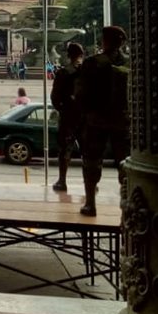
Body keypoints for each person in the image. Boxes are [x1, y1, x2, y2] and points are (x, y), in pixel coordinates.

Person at [75, 26, 130, 216]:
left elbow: (80, 92)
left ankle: (90, 203)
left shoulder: (92, 63)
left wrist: (85, 114)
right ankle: (127, 205)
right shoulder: (130, 63)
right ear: (121, 42)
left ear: (104, 41)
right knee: (124, 164)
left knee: (91, 163)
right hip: (122, 120)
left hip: (96, 120)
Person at [50, 43, 85, 192]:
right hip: (85, 116)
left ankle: (62, 180)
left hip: (68, 116)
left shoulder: (63, 73)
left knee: (64, 150)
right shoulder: (87, 72)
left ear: (68, 55)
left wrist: (63, 109)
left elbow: (54, 97)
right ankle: (90, 183)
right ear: (81, 54)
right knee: (88, 151)